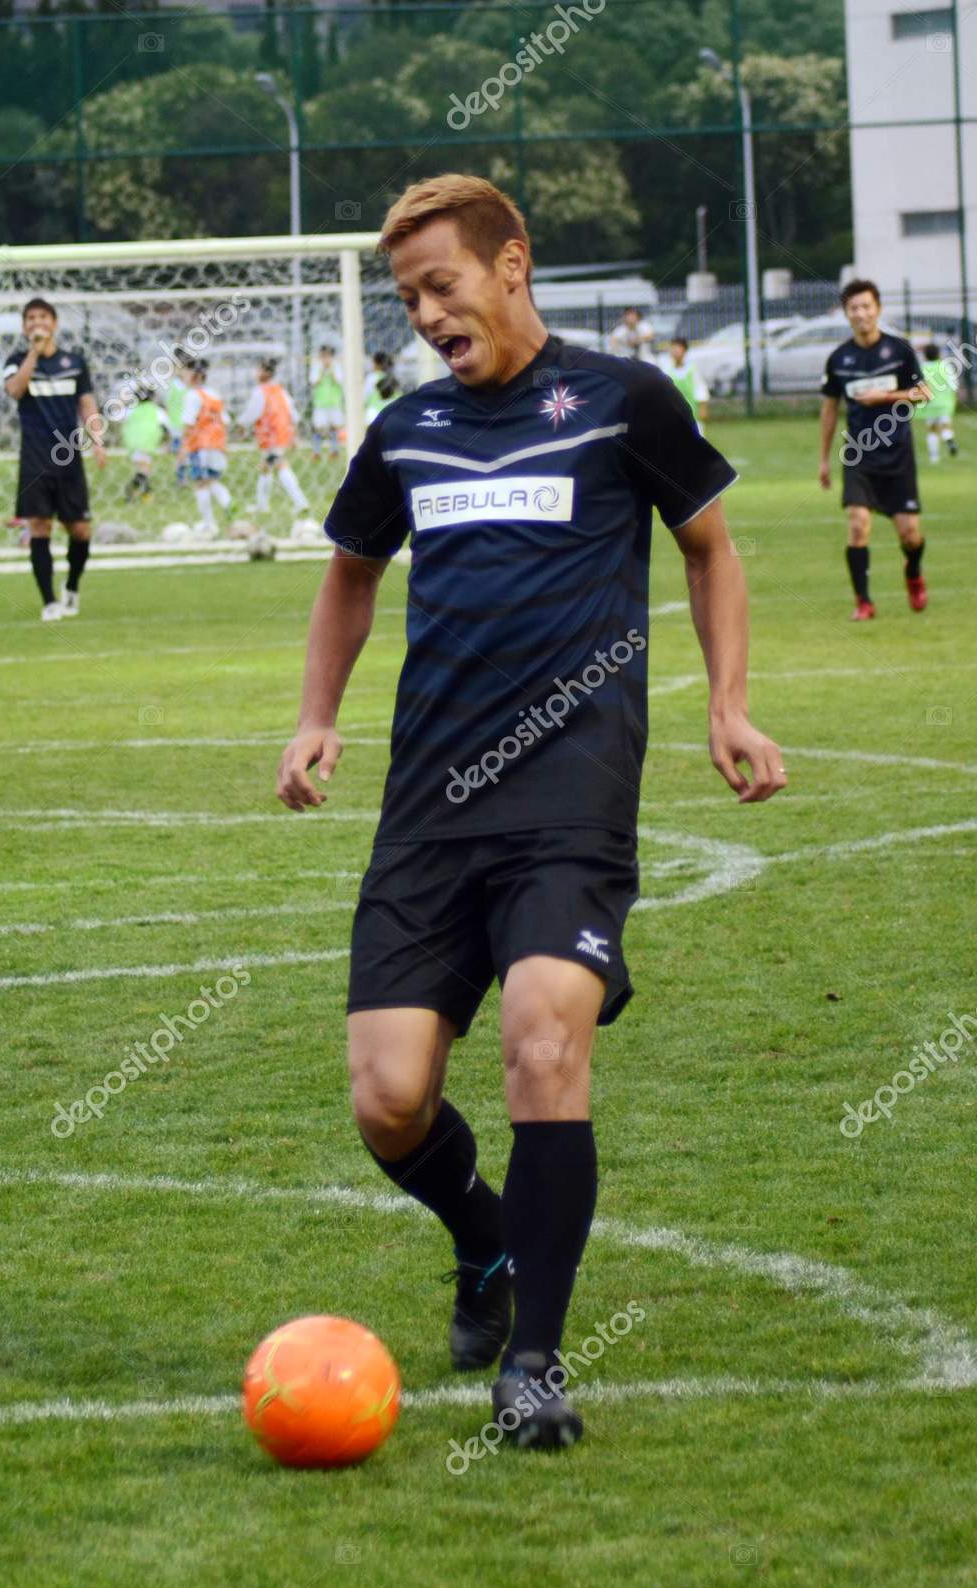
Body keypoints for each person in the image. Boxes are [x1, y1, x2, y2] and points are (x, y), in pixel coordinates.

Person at [275, 173, 785, 1451]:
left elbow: (711, 546)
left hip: (571, 797)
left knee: (544, 1041)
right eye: (408, 298)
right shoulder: (406, 429)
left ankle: (537, 1363)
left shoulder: (624, 400)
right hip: (428, 807)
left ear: (513, 265)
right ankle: (486, 1242)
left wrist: (729, 704)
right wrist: (316, 714)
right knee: (388, 1097)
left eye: (441, 285)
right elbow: (350, 573)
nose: (425, 315)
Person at [819, 278, 931, 620]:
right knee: (857, 525)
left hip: (897, 454)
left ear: (877, 309)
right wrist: (823, 459)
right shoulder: (839, 359)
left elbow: (924, 393)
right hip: (859, 453)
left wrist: (886, 397)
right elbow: (829, 409)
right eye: (854, 308)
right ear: (846, 314)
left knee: (910, 535)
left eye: (866, 306)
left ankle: (913, 571)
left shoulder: (899, 351)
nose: (861, 313)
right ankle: (864, 602)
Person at [3, 297, 105, 622]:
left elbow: (87, 404)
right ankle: (48, 601)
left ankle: (71, 586)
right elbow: (15, 390)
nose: (37, 322)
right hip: (34, 459)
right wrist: (33, 353)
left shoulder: (74, 362)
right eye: (31, 318)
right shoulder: (16, 361)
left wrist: (97, 440)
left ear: (54, 323)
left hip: (68, 458)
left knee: (81, 530)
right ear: (24, 326)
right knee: (39, 526)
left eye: (43, 317)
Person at [237, 359, 309, 520]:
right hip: (282, 432)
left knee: (279, 465)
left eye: (258, 370)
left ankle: (300, 502)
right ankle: (262, 505)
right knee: (267, 467)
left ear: (265, 373)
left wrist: (241, 424)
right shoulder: (280, 390)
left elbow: (252, 412)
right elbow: (292, 412)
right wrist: (294, 433)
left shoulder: (261, 391)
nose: (255, 373)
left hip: (270, 434)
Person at [178, 359, 234, 534]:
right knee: (212, 480)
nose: (182, 377)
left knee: (201, 483)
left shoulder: (192, 395)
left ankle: (208, 524)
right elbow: (225, 420)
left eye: (184, 373)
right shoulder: (214, 394)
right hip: (217, 443)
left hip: (200, 445)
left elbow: (188, 424)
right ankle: (228, 504)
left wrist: (183, 448)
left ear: (193, 376)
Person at [119, 380, 169, 501]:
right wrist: (166, 443)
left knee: (143, 468)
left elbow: (120, 417)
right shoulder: (156, 410)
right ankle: (133, 490)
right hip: (148, 443)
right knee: (145, 469)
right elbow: (167, 427)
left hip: (133, 443)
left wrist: (123, 402)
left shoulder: (132, 410)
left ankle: (145, 493)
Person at [914, 342, 958, 464]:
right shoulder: (945, 366)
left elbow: (918, 386)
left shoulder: (922, 368)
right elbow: (954, 385)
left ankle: (934, 458)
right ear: (938, 354)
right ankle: (948, 439)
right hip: (945, 403)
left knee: (932, 430)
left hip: (929, 404)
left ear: (925, 355)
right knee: (946, 426)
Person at [658, 337, 709, 430]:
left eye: (678, 348)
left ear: (685, 351)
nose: (675, 351)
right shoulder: (666, 371)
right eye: (673, 348)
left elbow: (701, 388)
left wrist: (703, 407)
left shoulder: (692, 370)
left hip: (693, 414)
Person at [309, 345, 345, 456]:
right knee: (318, 428)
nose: (325, 358)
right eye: (323, 356)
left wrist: (331, 370)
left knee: (334, 427)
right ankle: (316, 451)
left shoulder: (336, 367)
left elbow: (339, 381)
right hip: (320, 403)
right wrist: (322, 371)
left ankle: (334, 450)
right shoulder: (316, 367)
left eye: (327, 355)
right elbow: (314, 382)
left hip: (334, 402)